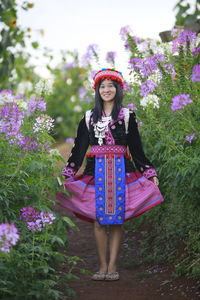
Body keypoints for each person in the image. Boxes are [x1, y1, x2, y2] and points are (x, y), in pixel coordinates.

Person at [57, 68, 164, 281]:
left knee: (116, 221)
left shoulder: (127, 116)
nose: (106, 89)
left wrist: (149, 173)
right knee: (99, 221)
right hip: (94, 172)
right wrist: (67, 174)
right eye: (102, 86)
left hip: (122, 172)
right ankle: (102, 265)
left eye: (110, 85)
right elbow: (78, 150)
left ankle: (113, 265)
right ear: (97, 90)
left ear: (118, 89)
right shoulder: (88, 118)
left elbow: (137, 149)